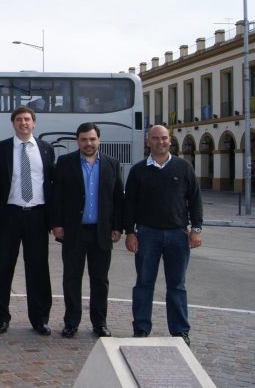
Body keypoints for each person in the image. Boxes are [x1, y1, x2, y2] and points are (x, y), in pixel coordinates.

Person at [124, 124, 203, 346]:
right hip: (147, 234)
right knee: (143, 283)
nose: (160, 142)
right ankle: (141, 327)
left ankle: (179, 331)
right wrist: (130, 233)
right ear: (148, 141)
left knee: (177, 285)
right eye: (156, 138)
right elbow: (129, 205)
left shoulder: (183, 167)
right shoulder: (138, 170)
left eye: (164, 138)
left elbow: (195, 200)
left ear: (170, 140)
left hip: (178, 235)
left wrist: (196, 229)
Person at [50, 122, 124, 338]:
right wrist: (56, 224)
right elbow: (57, 197)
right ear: (78, 141)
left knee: (100, 280)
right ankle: (71, 322)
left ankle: (99, 323)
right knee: (72, 278)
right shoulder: (65, 163)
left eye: (92, 139)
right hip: (74, 231)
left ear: (98, 140)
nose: (88, 143)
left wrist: (117, 226)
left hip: (101, 232)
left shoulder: (112, 164)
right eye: (84, 139)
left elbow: (118, 198)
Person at [0, 106, 55, 336]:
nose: (23, 123)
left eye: (27, 119)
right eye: (19, 119)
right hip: (9, 215)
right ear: (13, 123)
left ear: (34, 123)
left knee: (38, 269)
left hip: (37, 215)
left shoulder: (46, 150)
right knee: (2, 268)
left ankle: (39, 319)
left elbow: (50, 185)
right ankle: (1, 318)